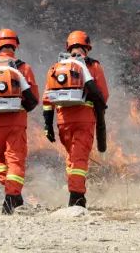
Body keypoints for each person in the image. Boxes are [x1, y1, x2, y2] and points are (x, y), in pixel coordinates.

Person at [43, 30, 109, 208]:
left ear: (68, 47)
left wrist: (48, 125)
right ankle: (77, 198)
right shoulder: (93, 66)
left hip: (63, 121)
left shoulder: (57, 67)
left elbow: (47, 99)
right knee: (79, 159)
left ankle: (74, 189)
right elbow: (103, 95)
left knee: (72, 157)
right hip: (84, 119)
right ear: (87, 47)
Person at [0, 28, 38, 214]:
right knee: (15, 160)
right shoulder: (23, 68)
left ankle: (13, 194)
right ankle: (11, 198)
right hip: (15, 123)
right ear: (16, 44)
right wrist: (20, 109)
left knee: (0, 160)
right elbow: (33, 99)